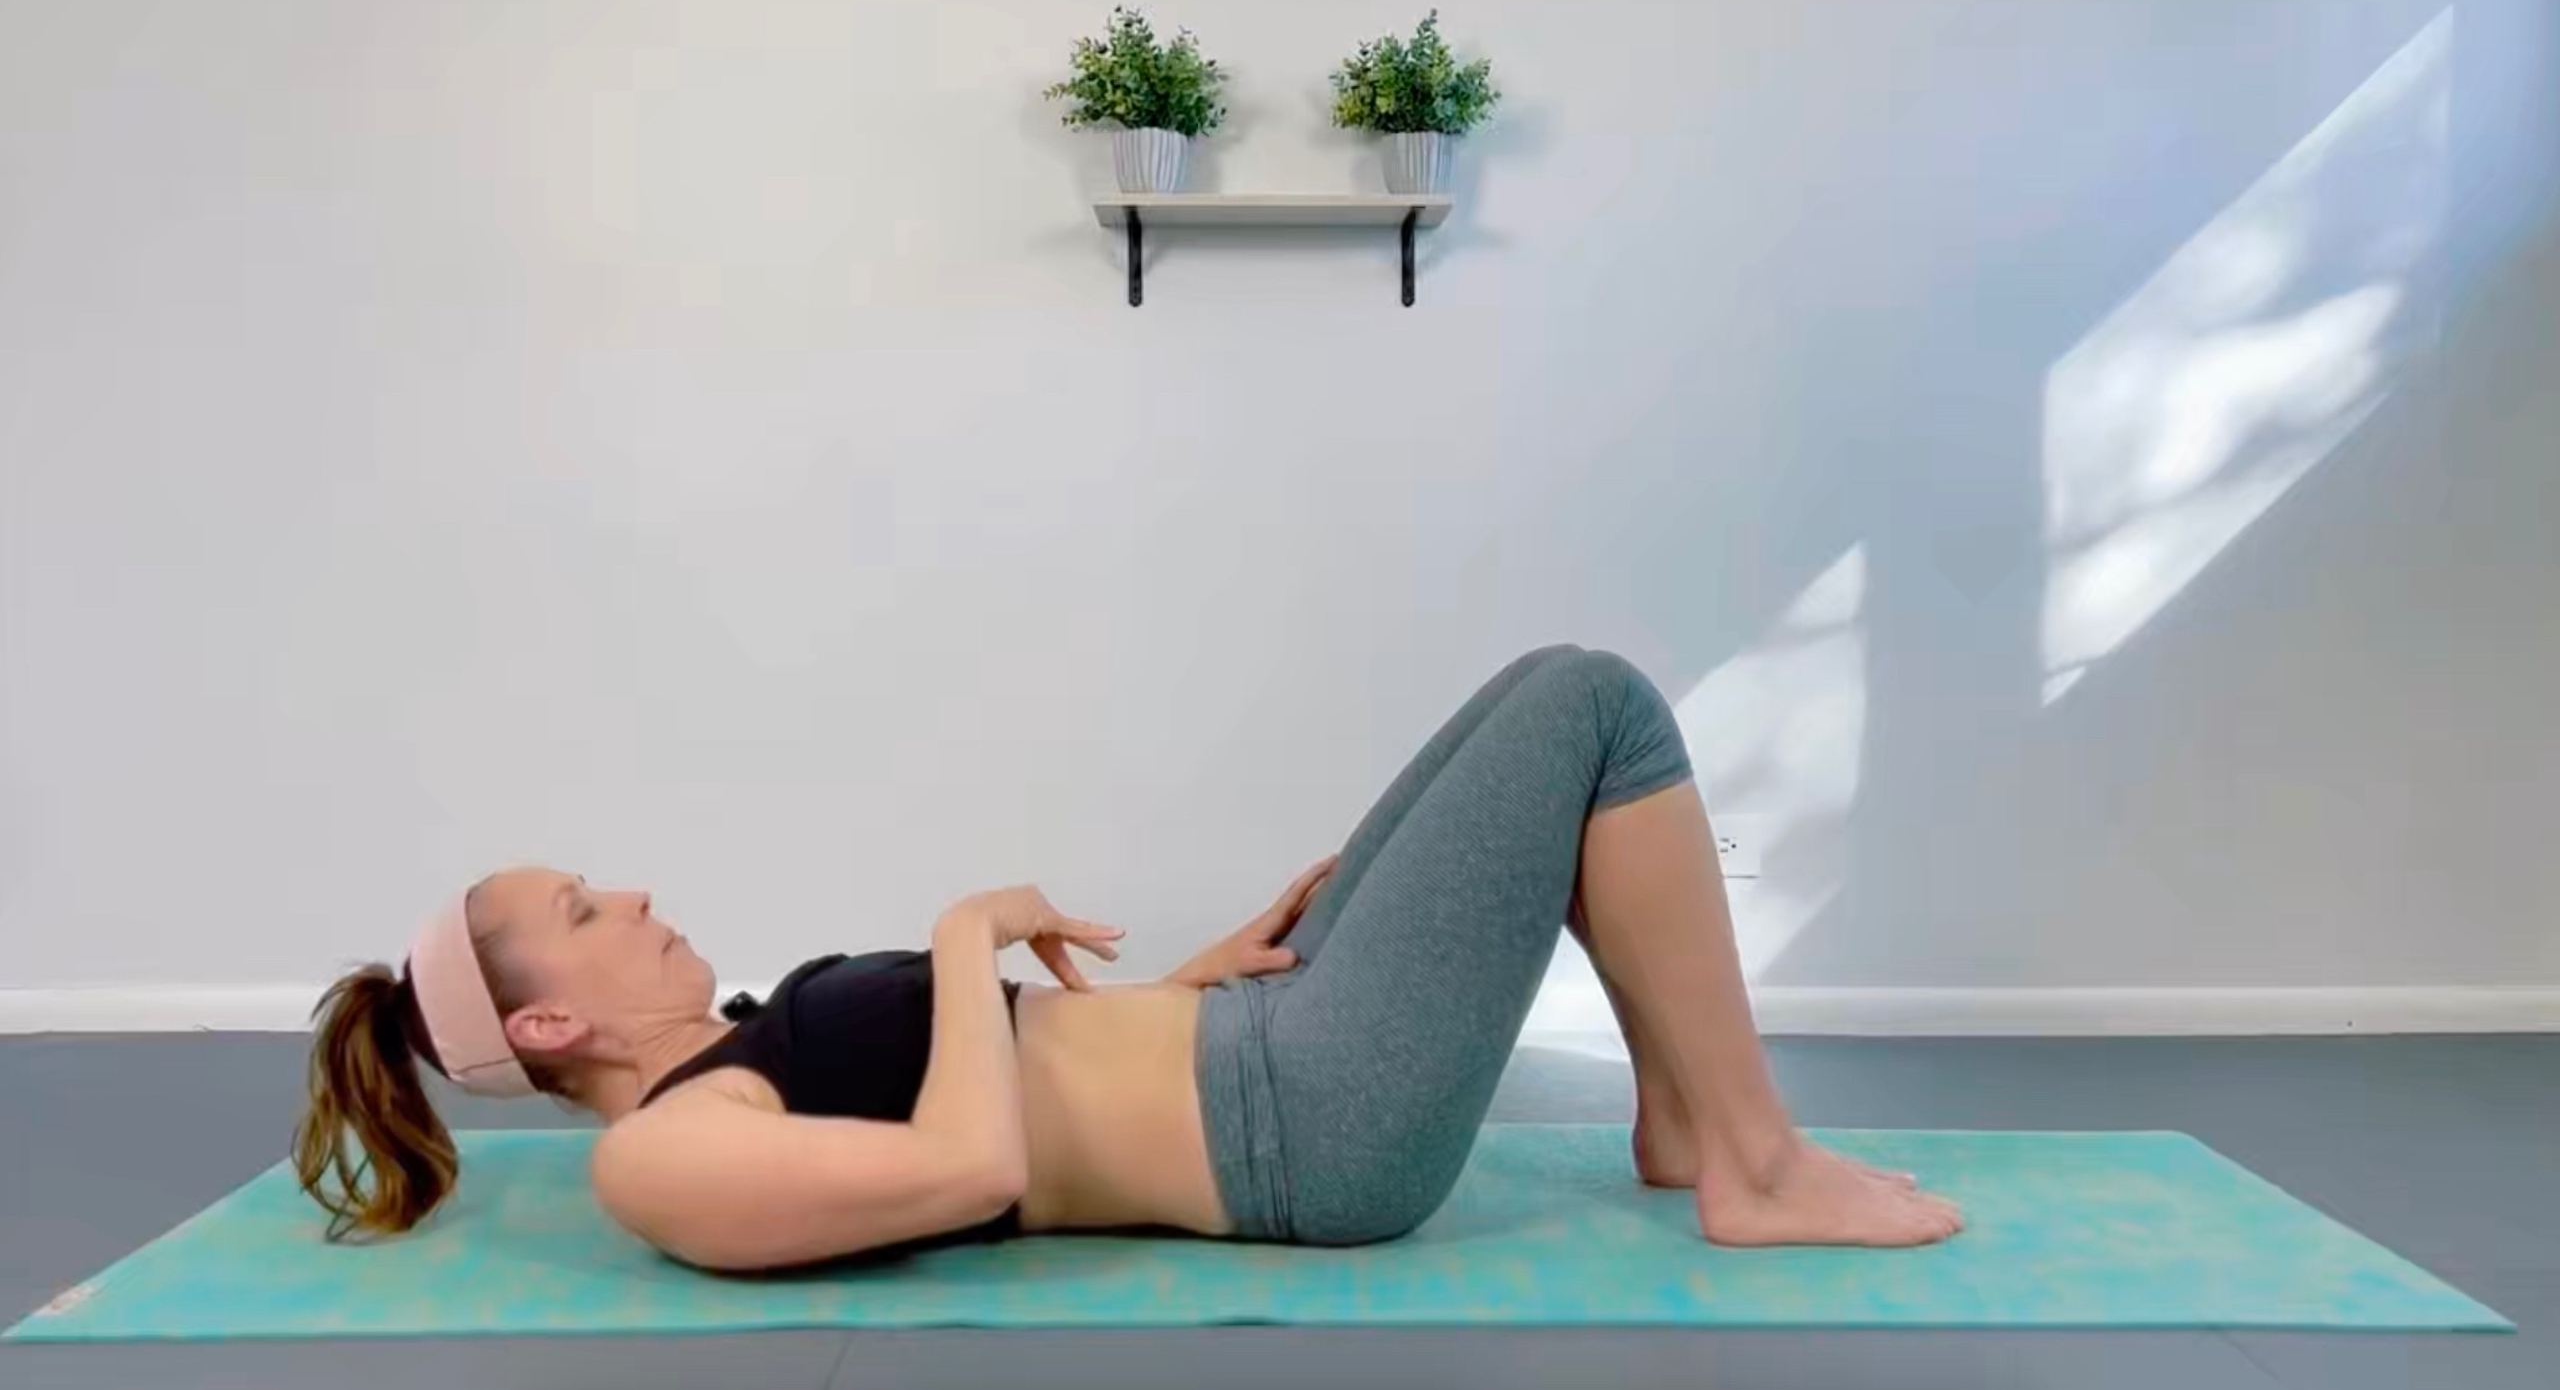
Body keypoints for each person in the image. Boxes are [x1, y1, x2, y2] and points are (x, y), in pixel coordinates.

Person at [295, 645, 1963, 1270]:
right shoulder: (662, 1159)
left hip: (1259, 1050)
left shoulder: (738, 1048)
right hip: (1313, 1132)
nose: (633, 891)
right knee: (1590, 705)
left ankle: (1686, 1118)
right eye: (587, 906)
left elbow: (1023, 1077)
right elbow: (972, 1161)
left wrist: (1194, 974)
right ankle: (1751, 1158)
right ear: (552, 1014)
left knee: (1532, 704)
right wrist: (961, 931)